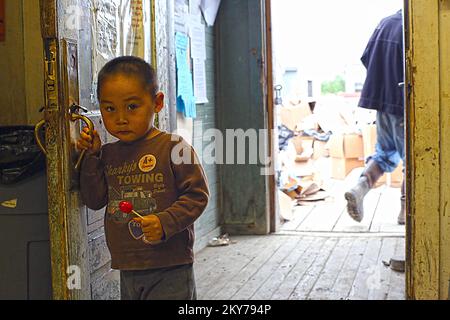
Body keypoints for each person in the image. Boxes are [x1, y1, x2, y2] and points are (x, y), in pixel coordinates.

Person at [77, 56, 210, 300]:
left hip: (170, 264)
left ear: (157, 103)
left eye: (132, 106)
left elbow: (197, 196)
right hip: (128, 265)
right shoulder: (107, 155)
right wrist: (91, 158)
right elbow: (94, 200)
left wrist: (165, 221)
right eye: (109, 108)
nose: (120, 118)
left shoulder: (173, 147)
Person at [345, 10, 405, 225]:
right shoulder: (414, 26)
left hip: (383, 105)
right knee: (415, 163)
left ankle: (359, 189)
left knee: (384, 155)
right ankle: (406, 211)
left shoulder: (385, 23)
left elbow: (366, 58)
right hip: (403, 105)